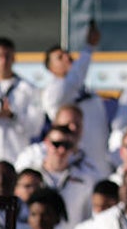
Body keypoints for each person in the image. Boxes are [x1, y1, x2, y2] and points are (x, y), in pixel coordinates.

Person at [42, 22, 112, 175]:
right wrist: (88, 48)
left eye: (67, 54)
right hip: (77, 167)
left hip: (101, 162)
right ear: (50, 68)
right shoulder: (53, 92)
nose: (67, 58)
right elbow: (74, 79)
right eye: (59, 58)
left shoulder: (82, 88)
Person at [0, 37, 47, 165]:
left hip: (17, 159)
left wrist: (12, 115)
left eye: (7, 56)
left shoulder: (29, 89)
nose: (3, 61)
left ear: (14, 58)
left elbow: (36, 128)